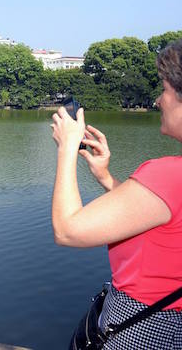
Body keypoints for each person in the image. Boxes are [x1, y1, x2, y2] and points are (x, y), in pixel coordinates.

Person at [51, 39, 182, 349]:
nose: (157, 101)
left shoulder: (168, 174)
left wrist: (67, 148)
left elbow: (67, 230)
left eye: (163, 90)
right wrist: (106, 177)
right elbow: (164, 219)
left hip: (141, 333)